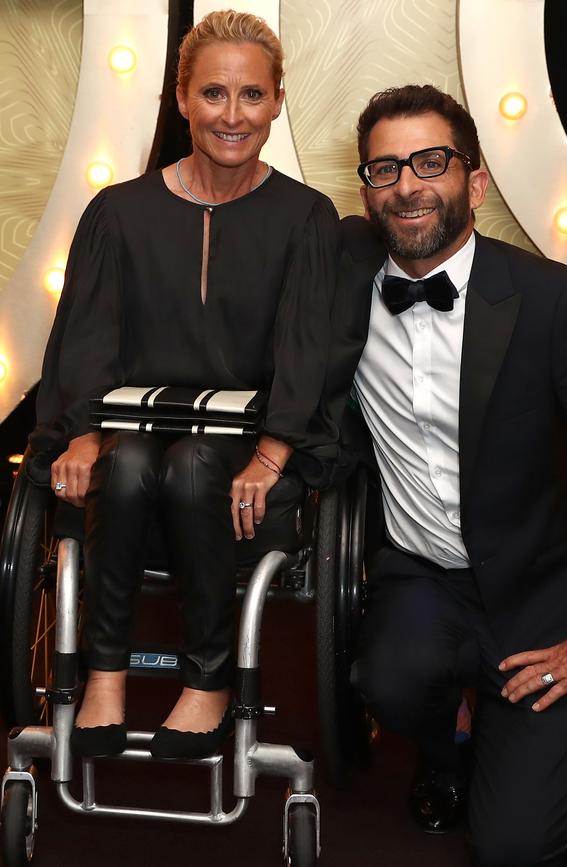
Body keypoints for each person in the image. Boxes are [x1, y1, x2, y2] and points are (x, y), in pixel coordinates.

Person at [328, 84, 567, 865]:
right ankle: (447, 746)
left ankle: (539, 753)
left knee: (511, 848)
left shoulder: (551, 302)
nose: (406, 184)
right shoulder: (339, 276)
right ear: (365, 189)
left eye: (430, 162)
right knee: (389, 677)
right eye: (384, 168)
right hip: (421, 579)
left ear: (473, 182)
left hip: (541, 596)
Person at [29, 9, 339, 760]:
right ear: (181, 98)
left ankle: (208, 678)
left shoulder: (306, 218)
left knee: (194, 463)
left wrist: (270, 456)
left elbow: (308, 351)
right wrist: (78, 431)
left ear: (277, 101)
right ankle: (104, 674)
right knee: (131, 462)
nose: (232, 116)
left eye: (252, 96)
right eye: (214, 94)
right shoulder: (118, 213)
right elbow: (87, 336)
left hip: (249, 450)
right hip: (128, 433)